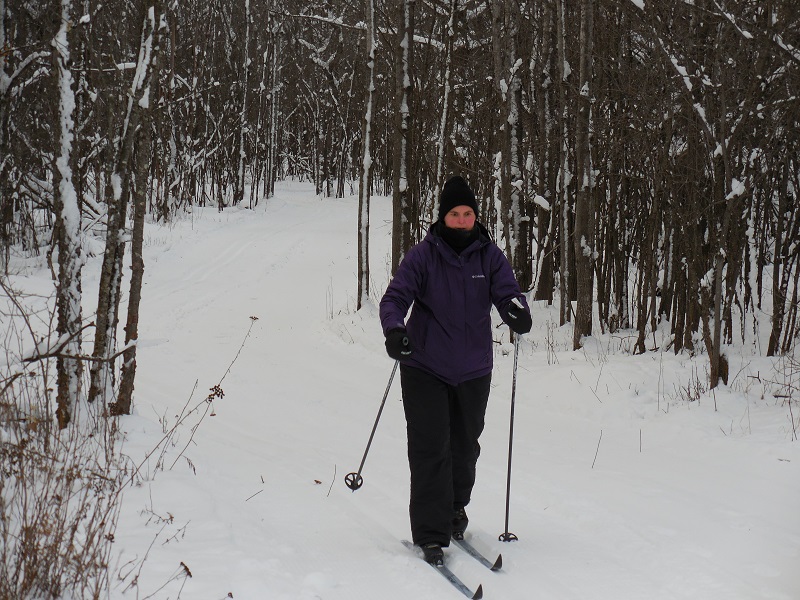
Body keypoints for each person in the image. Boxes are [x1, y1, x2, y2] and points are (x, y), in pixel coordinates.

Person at [379, 175, 532, 566]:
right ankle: (431, 533)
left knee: (465, 450)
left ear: (475, 217)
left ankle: (453, 512)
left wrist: (516, 310)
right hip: (426, 366)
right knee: (432, 448)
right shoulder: (424, 255)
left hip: (474, 370)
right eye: (454, 214)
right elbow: (396, 297)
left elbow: (507, 291)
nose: (462, 220)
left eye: (468, 214)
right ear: (443, 217)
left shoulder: (489, 256)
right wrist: (395, 330)